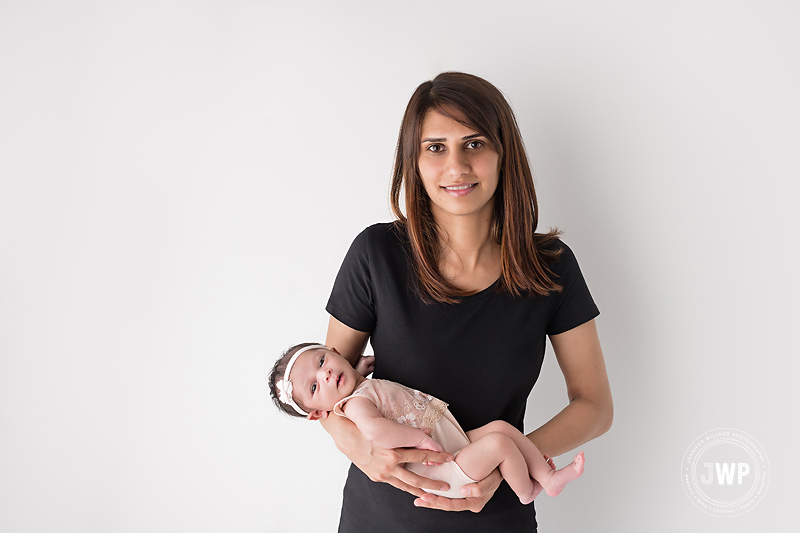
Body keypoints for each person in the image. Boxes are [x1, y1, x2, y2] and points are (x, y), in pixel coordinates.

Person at [319, 72, 613, 532]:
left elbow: (595, 405)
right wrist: (356, 446)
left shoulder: (551, 267)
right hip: (381, 519)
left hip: (497, 517)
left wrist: (501, 463)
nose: (456, 166)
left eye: (474, 144)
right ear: (412, 161)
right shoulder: (376, 255)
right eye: (435, 147)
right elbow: (326, 388)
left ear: (502, 154)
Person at [269, 343, 585, 504]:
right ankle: (527, 491)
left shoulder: (357, 387)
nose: (324, 375)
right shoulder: (354, 405)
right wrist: (419, 440)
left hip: (451, 445)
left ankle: (547, 476)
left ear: (334, 352)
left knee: (501, 428)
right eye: (314, 388)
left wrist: (358, 368)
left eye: (322, 361)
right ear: (317, 414)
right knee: (500, 444)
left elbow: (362, 386)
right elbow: (374, 430)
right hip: (443, 468)